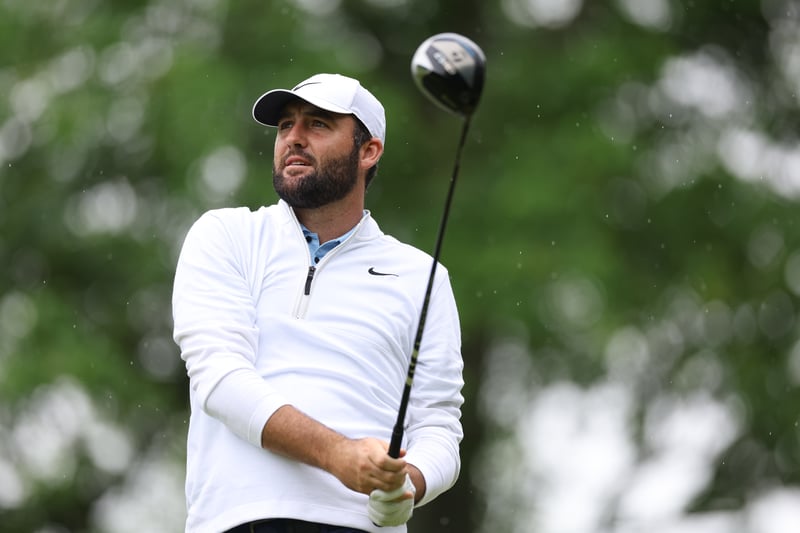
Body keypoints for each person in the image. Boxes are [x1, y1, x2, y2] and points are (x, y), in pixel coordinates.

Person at [171, 73, 465, 533]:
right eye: (286, 125)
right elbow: (220, 378)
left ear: (369, 151)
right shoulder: (227, 235)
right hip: (240, 520)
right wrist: (339, 456)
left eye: (318, 125)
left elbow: (439, 425)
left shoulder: (422, 277)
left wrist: (406, 483)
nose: (294, 139)